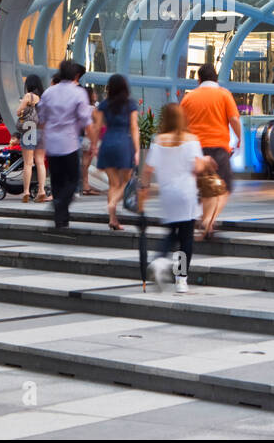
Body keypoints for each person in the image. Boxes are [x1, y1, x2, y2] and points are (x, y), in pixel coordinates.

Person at [138, 103, 214, 293]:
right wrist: (206, 162)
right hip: (186, 194)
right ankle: (181, 279)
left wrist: (144, 189)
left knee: (171, 232)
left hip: (168, 195)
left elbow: (147, 170)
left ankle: (159, 261)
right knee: (185, 238)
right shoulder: (191, 140)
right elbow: (197, 168)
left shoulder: (158, 140)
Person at [180, 63, 242, 240]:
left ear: (198, 79)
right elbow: (234, 120)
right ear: (216, 77)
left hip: (196, 150)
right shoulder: (224, 94)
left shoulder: (189, 98)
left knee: (203, 187)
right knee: (224, 187)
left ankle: (205, 219)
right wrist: (239, 139)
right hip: (218, 147)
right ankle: (209, 220)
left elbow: (182, 124)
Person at [38, 60, 93, 228]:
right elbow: (85, 119)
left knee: (57, 180)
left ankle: (61, 218)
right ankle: (60, 205)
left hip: (52, 144)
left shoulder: (49, 92)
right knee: (73, 179)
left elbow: (41, 119)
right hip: (69, 142)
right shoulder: (78, 93)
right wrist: (93, 141)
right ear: (76, 75)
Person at [92, 74, 140, 230]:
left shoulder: (104, 105)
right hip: (123, 144)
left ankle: (113, 219)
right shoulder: (130, 104)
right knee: (126, 181)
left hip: (107, 142)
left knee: (113, 183)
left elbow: (97, 127)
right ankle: (113, 204)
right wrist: (137, 150)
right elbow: (134, 127)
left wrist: (94, 145)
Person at [17, 75, 48, 202]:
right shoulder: (45, 97)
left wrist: (23, 106)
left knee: (28, 163)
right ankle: (41, 191)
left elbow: (18, 112)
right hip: (43, 132)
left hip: (30, 130)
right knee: (40, 162)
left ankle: (26, 192)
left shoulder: (29, 96)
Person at [80, 86, 101, 196]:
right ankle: (85, 185)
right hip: (90, 137)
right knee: (86, 163)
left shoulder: (83, 108)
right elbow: (98, 124)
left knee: (85, 162)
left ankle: (84, 185)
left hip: (83, 136)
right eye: (93, 93)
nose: (95, 95)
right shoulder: (93, 109)